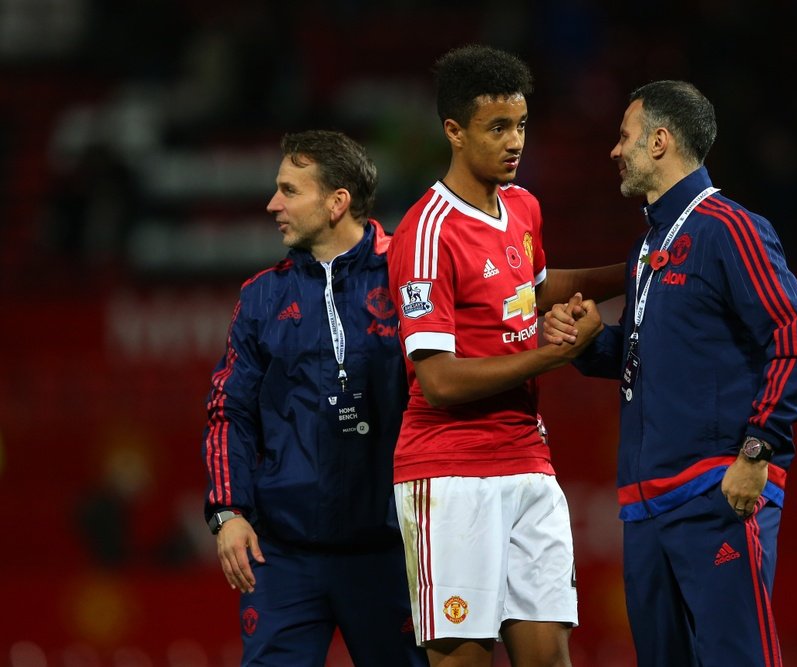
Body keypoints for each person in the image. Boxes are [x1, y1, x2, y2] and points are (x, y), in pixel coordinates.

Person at [544, 81, 797, 666]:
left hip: (714, 493)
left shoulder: (729, 228)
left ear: (659, 140)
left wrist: (757, 451)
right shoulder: (648, 247)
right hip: (646, 508)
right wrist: (589, 345)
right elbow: (653, 359)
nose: (614, 151)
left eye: (623, 136)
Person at [386, 44, 622, 667]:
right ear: (454, 131)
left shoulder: (523, 206)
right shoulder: (425, 233)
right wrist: (552, 355)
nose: (515, 141)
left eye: (520, 125)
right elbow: (437, 381)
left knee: (549, 658)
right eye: (497, 128)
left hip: (527, 457)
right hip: (451, 471)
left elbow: (533, 290)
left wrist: (633, 273)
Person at [201, 130, 428, 667]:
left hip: (394, 548)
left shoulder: (410, 273)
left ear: (336, 202)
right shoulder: (262, 297)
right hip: (283, 552)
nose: (272, 204)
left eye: (288, 190)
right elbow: (227, 411)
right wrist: (229, 511)